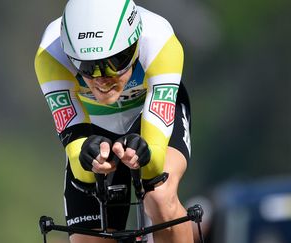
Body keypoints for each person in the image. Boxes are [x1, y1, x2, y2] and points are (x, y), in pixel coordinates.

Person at [34, 0, 193, 242]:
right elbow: (80, 163)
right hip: (93, 127)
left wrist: (146, 153)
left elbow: (154, 163)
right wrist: (87, 158)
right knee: (89, 237)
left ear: (136, 43)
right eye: (86, 66)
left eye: (116, 61)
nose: (102, 79)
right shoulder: (50, 55)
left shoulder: (160, 42)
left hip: (146, 114)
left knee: (160, 197)